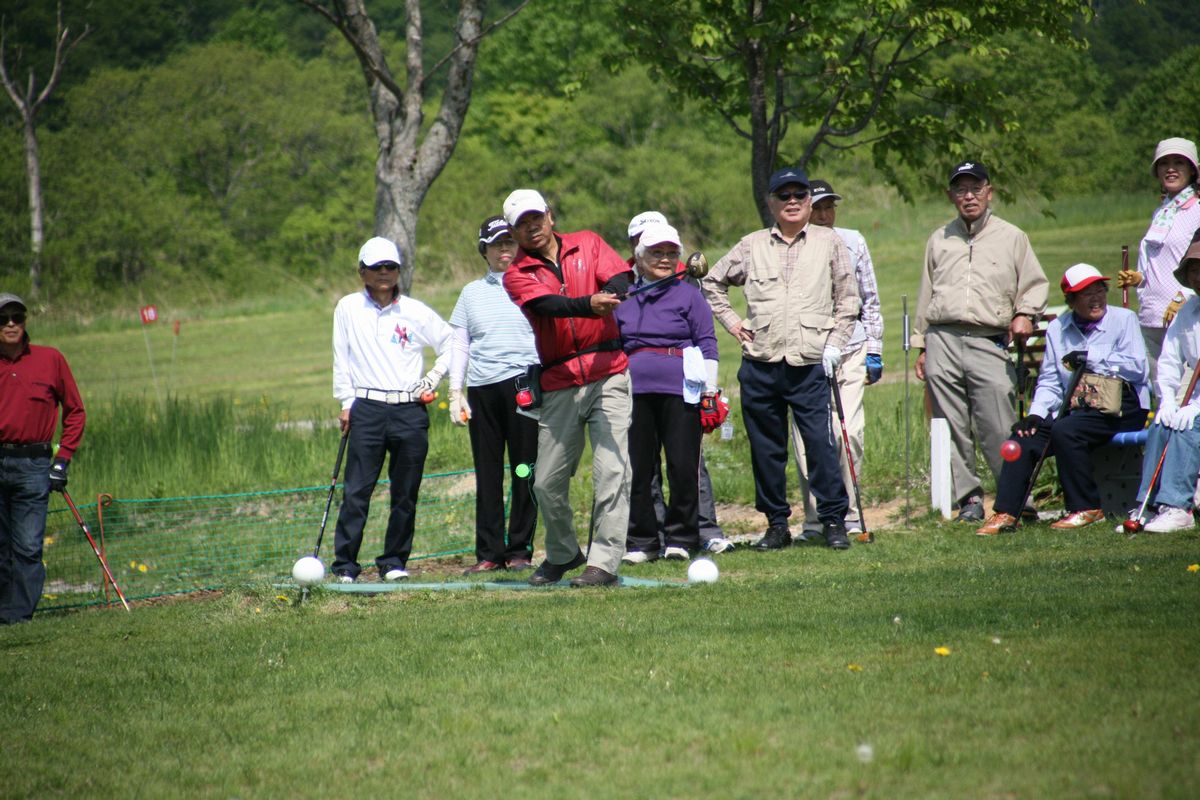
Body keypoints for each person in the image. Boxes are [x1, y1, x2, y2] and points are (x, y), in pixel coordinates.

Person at [702, 166, 860, 551]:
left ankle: (835, 520)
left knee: (820, 447)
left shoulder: (830, 242)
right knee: (767, 450)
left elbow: (848, 298)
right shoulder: (752, 244)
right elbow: (711, 281)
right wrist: (734, 324)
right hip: (761, 362)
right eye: (784, 196)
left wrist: (835, 344)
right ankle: (776, 524)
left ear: (809, 201)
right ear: (771, 203)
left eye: (799, 196)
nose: (792, 202)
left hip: (809, 363)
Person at [502, 189, 634, 587]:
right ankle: (563, 553)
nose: (532, 227)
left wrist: (617, 289)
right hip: (558, 382)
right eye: (522, 223)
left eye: (536, 218)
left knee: (612, 470)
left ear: (550, 216)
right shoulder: (517, 273)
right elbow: (546, 307)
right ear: (514, 232)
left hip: (608, 371)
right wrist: (589, 304)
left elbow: (620, 274)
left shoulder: (589, 243)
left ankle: (604, 564)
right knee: (545, 481)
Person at [912, 160, 1048, 522]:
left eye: (976, 188)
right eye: (961, 189)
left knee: (998, 424)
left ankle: (1016, 498)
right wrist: (921, 345)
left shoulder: (1012, 236)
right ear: (951, 195)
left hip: (989, 339)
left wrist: (1025, 314)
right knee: (950, 423)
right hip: (942, 337)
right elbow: (927, 292)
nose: (968, 196)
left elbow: (1034, 285)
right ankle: (968, 500)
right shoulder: (939, 238)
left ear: (990, 191)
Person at [976, 264, 1150, 535]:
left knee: (1066, 430)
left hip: (1122, 405)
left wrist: (1092, 357)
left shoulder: (1123, 319)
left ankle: (1086, 508)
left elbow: (1138, 368)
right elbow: (1049, 381)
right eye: (1086, 294)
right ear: (1071, 301)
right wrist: (1036, 414)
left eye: (1099, 291)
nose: (1096, 299)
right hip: (1078, 407)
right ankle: (1007, 512)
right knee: (1023, 436)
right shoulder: (1058, 328)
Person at [330, 237, 452, 583]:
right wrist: (346, 402)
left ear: (399, 271)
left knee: (405, 492)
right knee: (356, 492)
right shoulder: (348, 307)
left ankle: (394, 562)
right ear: (362, 271)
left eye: (391, 267)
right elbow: (342, 357)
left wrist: (432, 379)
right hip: (366, 407)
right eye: (376, 267)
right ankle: (345, 566)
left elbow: (451, 343)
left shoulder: (414, 310)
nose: (384, 273)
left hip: (409, 410)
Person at [626, 211, 734, 555]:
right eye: (657, 253)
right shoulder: (623, 296)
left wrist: (710, 393)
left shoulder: (689, 294)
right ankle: (642, 541)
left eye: (672, 253)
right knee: (639, 469)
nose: (665, 259)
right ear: (640, 257)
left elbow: (707, 343)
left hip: (681, 389)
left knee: (682, 466)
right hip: (634, 391)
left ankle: (682, 540)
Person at [447, 216, 541, 574]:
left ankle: (520, 549)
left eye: (510, 242)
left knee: (523, 469)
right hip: (483, 389)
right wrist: (456, 391)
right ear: (483, 250)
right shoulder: (471, 292)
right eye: (496, 244)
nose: (504, 249)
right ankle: (489, 552)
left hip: (524, 386)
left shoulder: (534, 282)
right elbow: (460, 341)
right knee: (487, 472)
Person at [790, 179, 883, 538]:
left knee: (851, 434)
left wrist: (874, 350)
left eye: (831, 207)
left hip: (851, 348)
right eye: (819, 208)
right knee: (808, 441)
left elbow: (870, 299)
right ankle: (816, 520)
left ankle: (847, 514)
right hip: (807, 353)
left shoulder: (854, 240)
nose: (826, 215)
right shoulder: (793, 247)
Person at [0, 293, 85, 624]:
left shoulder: (50, 359)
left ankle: (18, 618)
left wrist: (62, 460)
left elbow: (75, 411)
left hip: (34, 465)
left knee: (27, 547)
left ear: (25, 321)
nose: (10, 324)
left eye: (16, 317)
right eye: (3, 318)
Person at [1120, 237, 1200, 533]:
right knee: (1162, 425)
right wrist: (1167, 400)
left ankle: (1178, 507)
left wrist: (1196, 408)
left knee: (1189, 427)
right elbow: (1169, 361)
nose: (1198, 276)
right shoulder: (1189, 311)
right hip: (1192, 397)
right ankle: (1147, 505)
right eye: (1193, 269)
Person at [1118, 137, 1200, 381]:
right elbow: (1159, 261)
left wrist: (1184, 296)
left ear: (1192, 170)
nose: (1170, 168)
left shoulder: (1197, 210)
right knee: (1161, 393)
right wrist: (1139, 277)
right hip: (1151, 314)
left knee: (1186, 393)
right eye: (1164, 163)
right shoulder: (1161, 212)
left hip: (1185, 314)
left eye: (1178, 163)